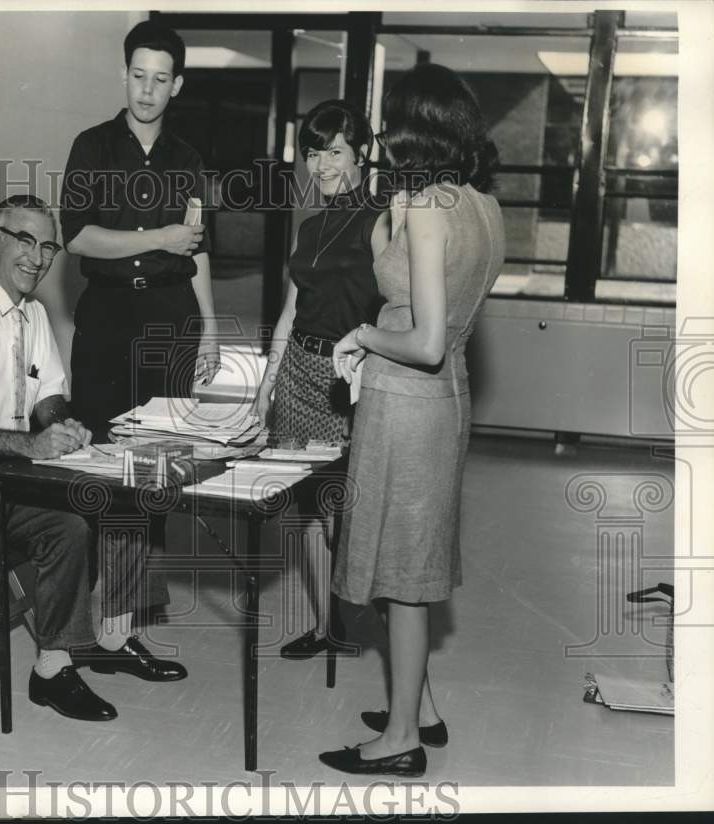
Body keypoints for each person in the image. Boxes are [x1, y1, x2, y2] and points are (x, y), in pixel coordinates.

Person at [0, 195, 184, 725]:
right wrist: (29, 446)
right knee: (65, 526)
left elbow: (47, 397)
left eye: (47, 246)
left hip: (6, 467)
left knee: (125, 495)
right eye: (24, 240)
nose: (37, 258)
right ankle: (52, 670)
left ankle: (110, 638)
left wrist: (62, 425)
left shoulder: (33, 312)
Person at [319, 64, 505, 776]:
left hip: (407, 402)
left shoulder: (428, 206)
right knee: (414, 563)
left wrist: (363, 337)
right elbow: (447, 332)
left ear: (410, 126)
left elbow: (422, 341)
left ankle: (398, 740)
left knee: (400, 574)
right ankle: (419, 708)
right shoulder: (481, 204)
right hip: (450, 402)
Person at [59, 20, 219, 653]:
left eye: (160, 80)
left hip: (171, 319)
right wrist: (159, 238)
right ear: (123, 75)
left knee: (155, 472)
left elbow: (197, 249)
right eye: (137, 76)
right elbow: (77, 237)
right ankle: (91, 618)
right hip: (107, 322)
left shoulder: (186, 160)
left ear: (176, 85)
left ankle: (123, 627)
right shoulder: (92, 147)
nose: (147, 91)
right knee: (102, 463)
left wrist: (206, 328)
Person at [254, 100, 386, 661]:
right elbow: (290, 311)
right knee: (306, 509)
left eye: (334, 150)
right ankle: (329, 624)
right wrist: (268, 382)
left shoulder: (383, 222)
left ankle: (364, 617)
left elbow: (398, 309)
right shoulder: (309, 228)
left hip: (350, 377)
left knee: (345, 509)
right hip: (300, 375)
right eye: (313, 152)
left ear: (362, 153)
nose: (322, 164)